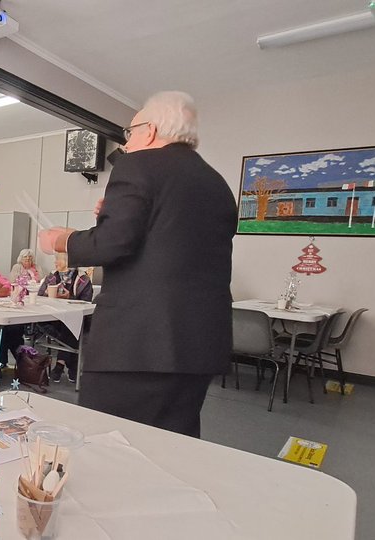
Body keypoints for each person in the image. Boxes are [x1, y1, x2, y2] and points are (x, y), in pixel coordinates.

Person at [37, 91, 236, 438]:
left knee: (110, 443)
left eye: (130, 133)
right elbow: (167, 239)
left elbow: (114, 243)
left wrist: (63, 240)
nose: (127, 143)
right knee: (172, 443)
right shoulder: (216, 183)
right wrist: (114, 214)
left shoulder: (138, 165)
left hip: (138, 344)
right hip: (199, 343)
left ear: (151, 130)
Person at [36, 253, 94, 382]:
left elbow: (86, 302)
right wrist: (47, 295)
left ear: (68, 261)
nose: (55, 262)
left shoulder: (83, 279)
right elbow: (39, 296)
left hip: (75, 318)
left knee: (71, 323)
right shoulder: (51, 277)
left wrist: (70, 297)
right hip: (52, 318)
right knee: (69, 326)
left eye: (58, 259)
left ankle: (60, 364)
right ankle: (72, 366)